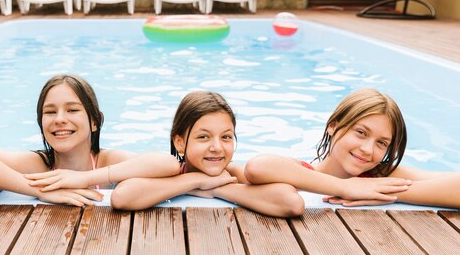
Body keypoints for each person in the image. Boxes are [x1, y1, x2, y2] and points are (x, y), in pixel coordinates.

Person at [0, 74, 180, 206]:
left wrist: (85, 178)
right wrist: (38, 190)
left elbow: (168, 164)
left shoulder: (106, 160)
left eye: (72, 110)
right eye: (50, 112)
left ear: (94, 121)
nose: (59, 119)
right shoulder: (40, 165)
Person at [244, 88, 460, 208]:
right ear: (333, 126)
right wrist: (345, 187)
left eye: (382, 143)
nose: (368, 149)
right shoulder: (305, 173)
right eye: (361, 133)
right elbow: (258, 167)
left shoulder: (379, 177)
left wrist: (386, 194)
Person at [110, 91, 305, 216]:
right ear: (179, 142)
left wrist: (218, 190)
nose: (217, 147)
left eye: (226, 137)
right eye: (203, 137)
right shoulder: (166, 170)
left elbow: (292, 203)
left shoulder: (234, 175)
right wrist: (195, 182)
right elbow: (121, 197)